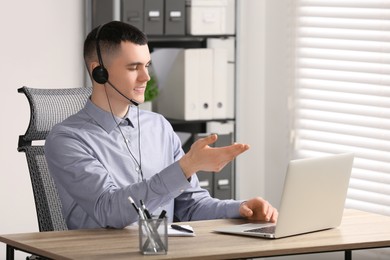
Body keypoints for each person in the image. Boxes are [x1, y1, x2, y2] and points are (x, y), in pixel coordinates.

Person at [45, 21, 278, 230]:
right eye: (133, 67)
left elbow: (190, 207)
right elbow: (110, 211)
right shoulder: (67, 139)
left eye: (147, 65)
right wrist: (186, 167)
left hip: (163, 253)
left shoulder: (159, 127)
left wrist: (241, 209)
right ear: (100, 72)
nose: (146, 77)